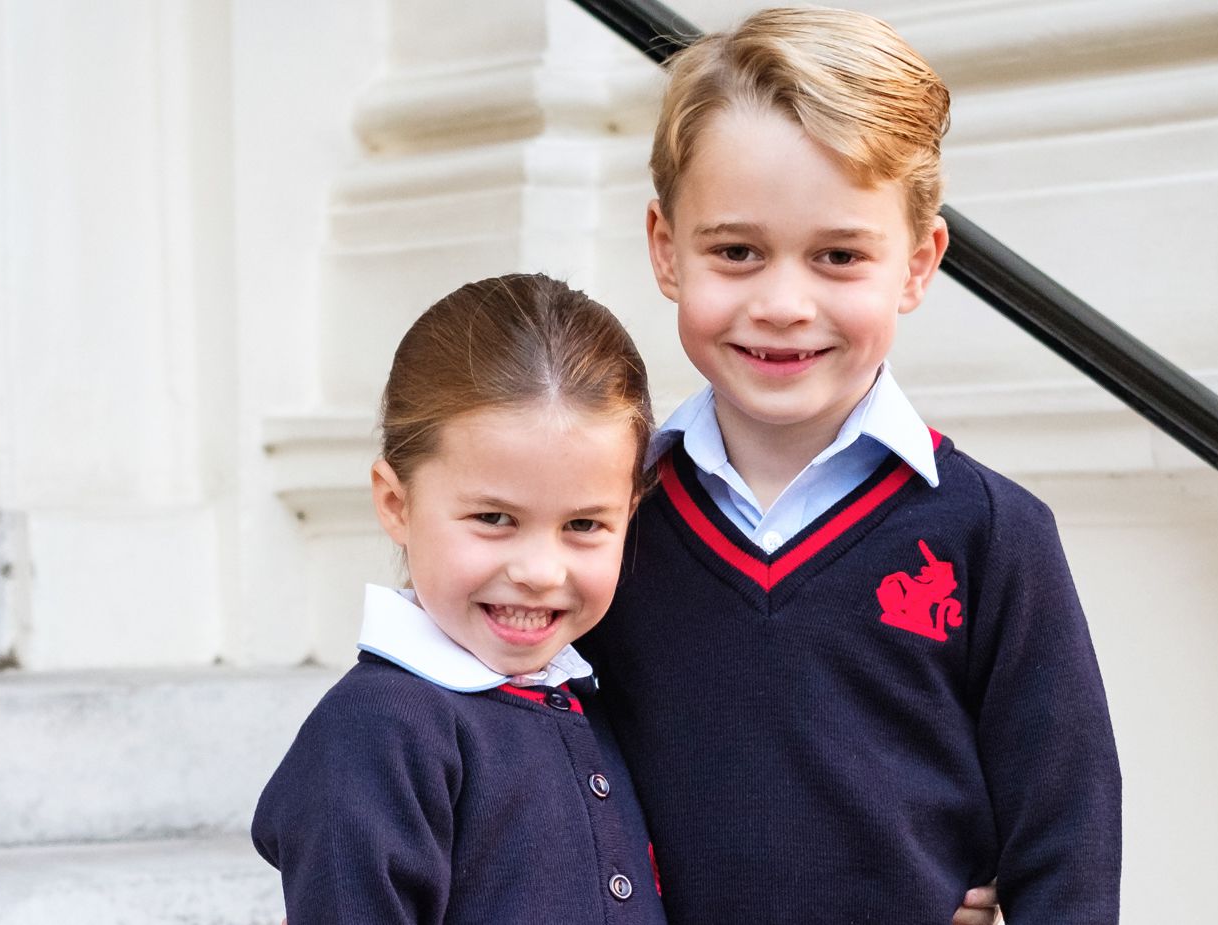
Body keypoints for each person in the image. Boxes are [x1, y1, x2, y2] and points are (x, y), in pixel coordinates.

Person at [577, 7, 1121, 924]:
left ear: (917, 262)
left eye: (838, 256)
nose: (785, 304)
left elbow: (1067, 834)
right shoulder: (609, 525)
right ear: (667, 249)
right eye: (737, 252)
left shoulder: (992, 535)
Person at [252, 274, 666, 923]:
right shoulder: (379, 732)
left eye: (584, 524)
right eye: (494, 518)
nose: (537, 570)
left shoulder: (589, 695)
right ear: (397, 502)